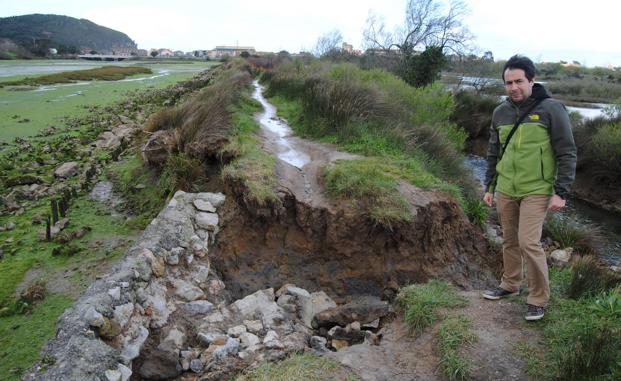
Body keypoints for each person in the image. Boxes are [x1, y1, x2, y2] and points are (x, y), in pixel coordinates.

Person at [482, 55, 577, 320]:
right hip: (505, 188)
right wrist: (489, 186)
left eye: (519, 81)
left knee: (528, 241)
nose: (513, 87)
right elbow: (493, 152)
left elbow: (567, 152)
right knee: (509, 239)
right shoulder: (499, 113)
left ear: (532, 80)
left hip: (537, 189)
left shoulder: (551, 109)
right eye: (508, 82)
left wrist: (561, 191)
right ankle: (510, 285)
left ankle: (538, 298)